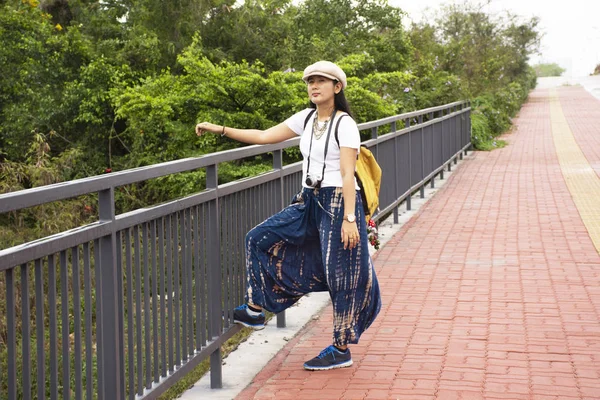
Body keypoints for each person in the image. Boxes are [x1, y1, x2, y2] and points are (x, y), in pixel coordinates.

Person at [195, 60, 381, 371]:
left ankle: (341, 347)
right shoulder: (306, 118)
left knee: (342, 273)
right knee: (258, 238)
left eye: (321, 81)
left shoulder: (344, 123)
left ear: (337, 87)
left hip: (337, 202)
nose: (314, 86)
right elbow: (265, 136)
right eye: (310, 81)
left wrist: (351, 219)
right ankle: (255, 309)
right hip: (309, 200)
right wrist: (221, 129)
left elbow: (348, 174)